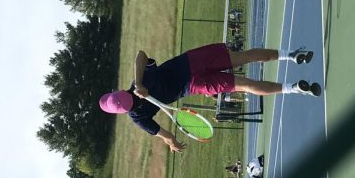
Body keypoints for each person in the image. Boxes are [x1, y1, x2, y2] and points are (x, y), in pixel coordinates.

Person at [99, 44, 319, 152]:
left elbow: (166, 135)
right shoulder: (141, 78)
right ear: (119, 92)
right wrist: (138, 82)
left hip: (194, 85)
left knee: (246, 86)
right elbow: (141, 55)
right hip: (192, 62)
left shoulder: (138, 116)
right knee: (243, 58)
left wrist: (173, 143)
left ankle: (294, 88)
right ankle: (290, 56)